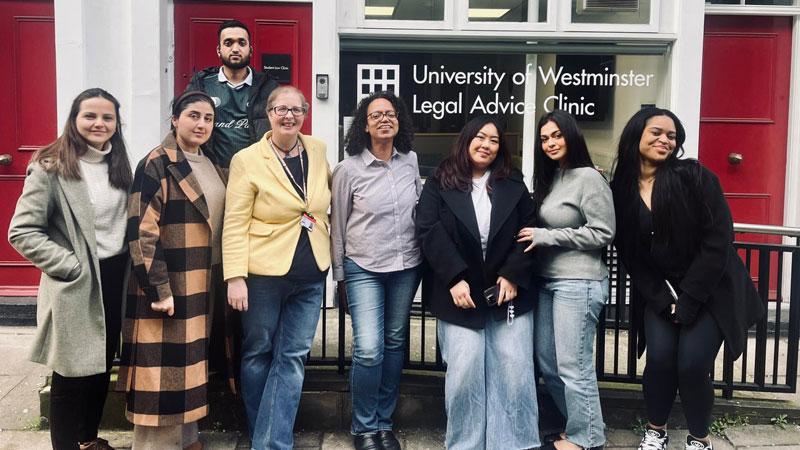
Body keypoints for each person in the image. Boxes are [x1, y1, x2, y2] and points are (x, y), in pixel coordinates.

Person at [610, 107, 765, 450]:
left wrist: (690, 301)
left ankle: (699, 438)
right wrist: (665, 302)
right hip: (662, 292)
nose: (665, 140)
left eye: (672, 135)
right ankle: (656, 431)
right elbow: (632, 255)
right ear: (636, 134)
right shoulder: (621, 190)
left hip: (711, 289)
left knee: (693, 363)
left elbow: (718, 241)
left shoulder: (694, 176)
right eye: (657, 132)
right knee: (661, 359)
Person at [8, 88, 132, 450]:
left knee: (100, 367)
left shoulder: (119, 164)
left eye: (107, 117)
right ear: (74, 120)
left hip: (114, 278)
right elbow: (22, 231)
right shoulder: (50, 167)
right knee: (70, 376)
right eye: (90, 116)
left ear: (116, 124)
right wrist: (70, 265)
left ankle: (88, 440)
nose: (99, 123)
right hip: (76, 282)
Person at [416, 115, 540, 450]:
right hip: (459, 294)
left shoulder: (513, 181)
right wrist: (455, 278)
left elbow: (529, 231)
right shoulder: (440, 180)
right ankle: (465, 445)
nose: (486, 145)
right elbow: (428, 230)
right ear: (467, 139)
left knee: (514, 371)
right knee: (465, 372)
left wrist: (513, 273)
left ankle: (515, 444)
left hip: (508, 293)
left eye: (494, 140)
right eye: (480, 137)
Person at [223, 85, 331, 450]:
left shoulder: (317, 149)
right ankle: (265, 438)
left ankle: (271, 442)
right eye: (281, 109)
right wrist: (235, 277)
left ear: (305, 113)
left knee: (294, 356)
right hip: (263, 276)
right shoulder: (248, 160)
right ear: (268, 114)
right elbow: (235, 221)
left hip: (311, 272)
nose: (289, 116)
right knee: (258, 352)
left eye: (296, 110)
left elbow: (319, 206)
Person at [118, 91, 226, 450]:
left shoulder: (207, 162)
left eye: (208, 118)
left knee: (190, 365)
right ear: (175, 120)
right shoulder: (156, 163)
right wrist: (158, 289)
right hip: (170, 284)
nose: (201, 124)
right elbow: (141, 230)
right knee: (160, 374)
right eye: (193, 115)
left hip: (202, 280)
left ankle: (187, 439)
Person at [515, 110, 615, 450]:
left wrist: (548, 237)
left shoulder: (589, 177)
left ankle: (587, 439)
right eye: (544, 138)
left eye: (556, 135)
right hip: (548, 281)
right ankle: (580, 427)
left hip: (579, 282)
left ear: (571, 136)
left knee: (575, 366)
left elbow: (603, 232)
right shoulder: (554, 177)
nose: (550, 143)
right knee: (548, 362)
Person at [331, 91, 422, 450]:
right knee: (369, 348)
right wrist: (339, 275)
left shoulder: (410, 161)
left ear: (399, 121)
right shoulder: (348, 168)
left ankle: (384, 423)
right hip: (363, 266)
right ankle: (363, 426)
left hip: (406, 265)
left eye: (391, 113)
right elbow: (337, 224)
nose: (384, 119)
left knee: (395, 342)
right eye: (375, 115)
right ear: (364, 125)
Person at [186, 19, 279, 167]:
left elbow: (282, 130)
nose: (235, 49)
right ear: (219, 50)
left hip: (256, 172)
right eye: (228, 43)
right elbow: (183, 127)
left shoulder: (268, 88)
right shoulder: (201, 85)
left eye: (242, 43)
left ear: (250, 50)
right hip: (212, 171)